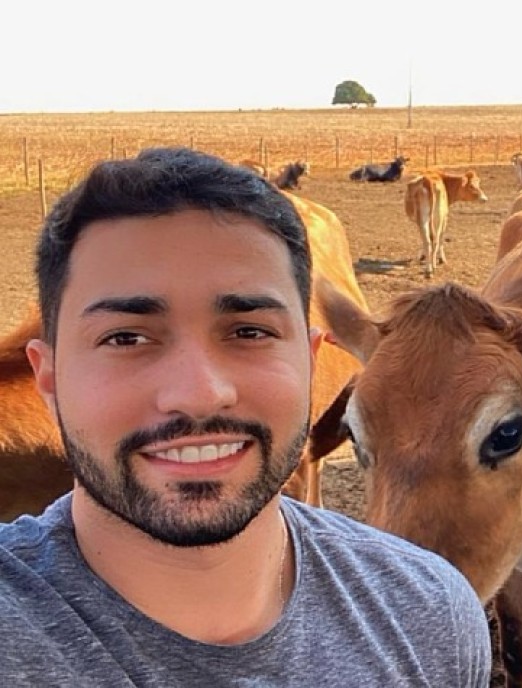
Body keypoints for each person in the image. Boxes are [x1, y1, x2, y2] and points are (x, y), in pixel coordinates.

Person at [0, 147, 492, 686]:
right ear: (49, 378)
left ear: (311, 360)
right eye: (126, 338)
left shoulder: (430, 617)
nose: (199, 394)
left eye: (249, 332)